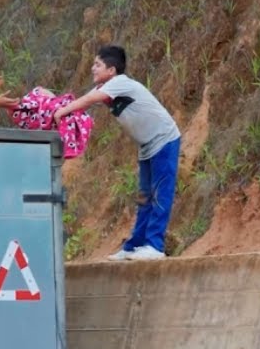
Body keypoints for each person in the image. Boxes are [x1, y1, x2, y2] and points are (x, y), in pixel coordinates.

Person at [53, 45, 181, 261]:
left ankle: (155, 246)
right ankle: (134, 245)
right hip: (147, 146)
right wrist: (56, 108)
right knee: (144, 197)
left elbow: (87, 101)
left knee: (160, 193)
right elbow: (82, 102)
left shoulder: (120, 82)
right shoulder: (105, 88)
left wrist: (62, 112)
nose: (93, 69)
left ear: (111, 70)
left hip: (164, 139)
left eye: (97, 65)